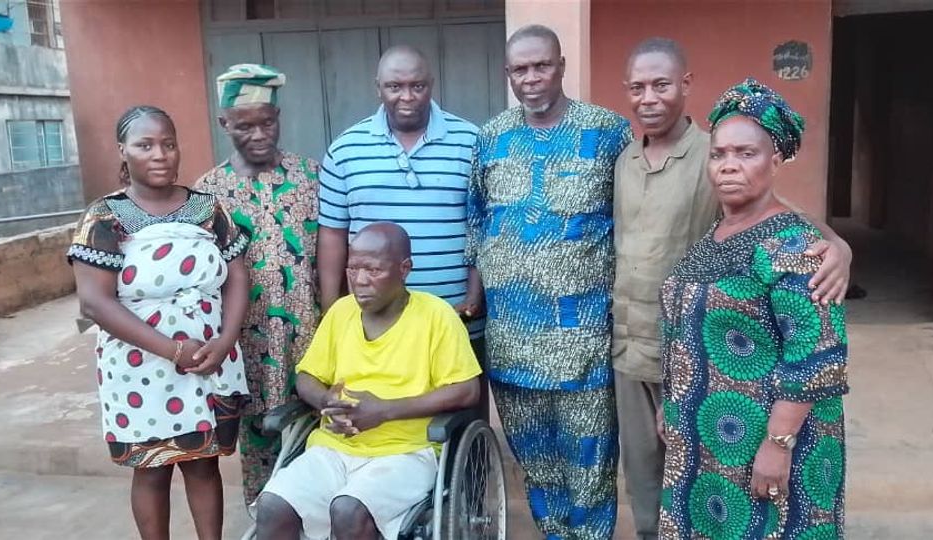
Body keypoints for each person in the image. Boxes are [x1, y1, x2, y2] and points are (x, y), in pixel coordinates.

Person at [613, 39, 852, 540]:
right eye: (720, 154)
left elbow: (816, 359)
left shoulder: (794, 247)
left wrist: (779, 443)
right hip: (707, 434)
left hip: (764, 439)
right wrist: (677, 405)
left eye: (746, 153)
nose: (728, 165)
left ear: (775, 160)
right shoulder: (715, 235)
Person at [466, 24, 631, 540]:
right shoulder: (491, 137)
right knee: (537, 468)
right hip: (512, 348)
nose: (531, 78)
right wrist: (475, 302)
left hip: (584, 347)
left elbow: (636, 221)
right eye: (520, 69)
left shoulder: (608, 131)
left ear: (561, 65)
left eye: (541, 66)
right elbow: (477, 221)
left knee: (590, 470)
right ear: (508, 74)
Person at [69, 105, 251, 540]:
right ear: (123, 151)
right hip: (139, 365)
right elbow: (95, 302)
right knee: (151, 469)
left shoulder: (208, 209)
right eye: (145, 145)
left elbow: (238, 275)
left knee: (203, 464)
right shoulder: (105, 217)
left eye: (168, 144)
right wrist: (172, 350)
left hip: (209, 358)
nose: (160, 155)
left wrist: (225, 340)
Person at [254, 222, 482, 540]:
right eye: (353, 268)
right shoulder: (341, 313)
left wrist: (383, 411)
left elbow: (467, 390)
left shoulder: (436, 316)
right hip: (334, 448)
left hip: (405, 452)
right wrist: (325, 402)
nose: (360, 281)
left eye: (373, 270)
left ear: (404, 269)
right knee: (272, 506)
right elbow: (308, 376)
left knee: (348, 511)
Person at [317, 46, 490, 416]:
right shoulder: (345, 150)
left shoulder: (472, 142)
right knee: (379, 425)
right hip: (374, 327)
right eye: (395, 86)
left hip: (456, 321)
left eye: (418, 86)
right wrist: (333, 309)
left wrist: (475, 297)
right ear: (377, 88)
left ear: (432, 85)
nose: (407, 97)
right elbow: (332, 234)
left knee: (462, 430)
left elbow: (483, 227)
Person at [196, 63, 322, 503]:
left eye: (267, 122)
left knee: (316, 425)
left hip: (309, 330)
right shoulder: (208, 192)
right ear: (224, 123)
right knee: (259, 433)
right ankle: (266, 516)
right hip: (246, 339)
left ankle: (316, 515)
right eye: (244, 125)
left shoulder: (311, 176)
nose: (259, 134)